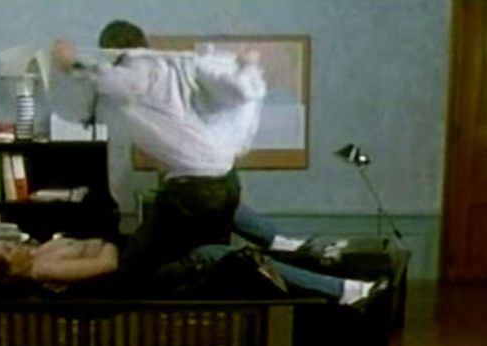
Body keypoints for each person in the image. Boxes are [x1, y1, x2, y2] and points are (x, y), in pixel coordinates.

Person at [53, 20, 308, 274]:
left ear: (111, 52)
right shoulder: (175, 69)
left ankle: (270, 263)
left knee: (139, 263)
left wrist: (69, 63)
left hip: (194, 189)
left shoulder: (135, 73)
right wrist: (247, 66)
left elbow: (103, 81)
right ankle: (280, 246)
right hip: (226, 180)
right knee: (210, 248)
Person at [0, 237, 384, 307]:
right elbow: (107, 259)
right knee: (241, 258)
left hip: (150, 263)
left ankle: (338, 282)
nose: (14, 244)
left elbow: (90, 245)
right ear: (9, 270)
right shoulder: (45, 267)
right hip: (158, 277)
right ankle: (344, 289)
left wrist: (91, 244)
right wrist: (100, 244)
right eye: (8, 250)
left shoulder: (40, 255)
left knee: (247, 254)